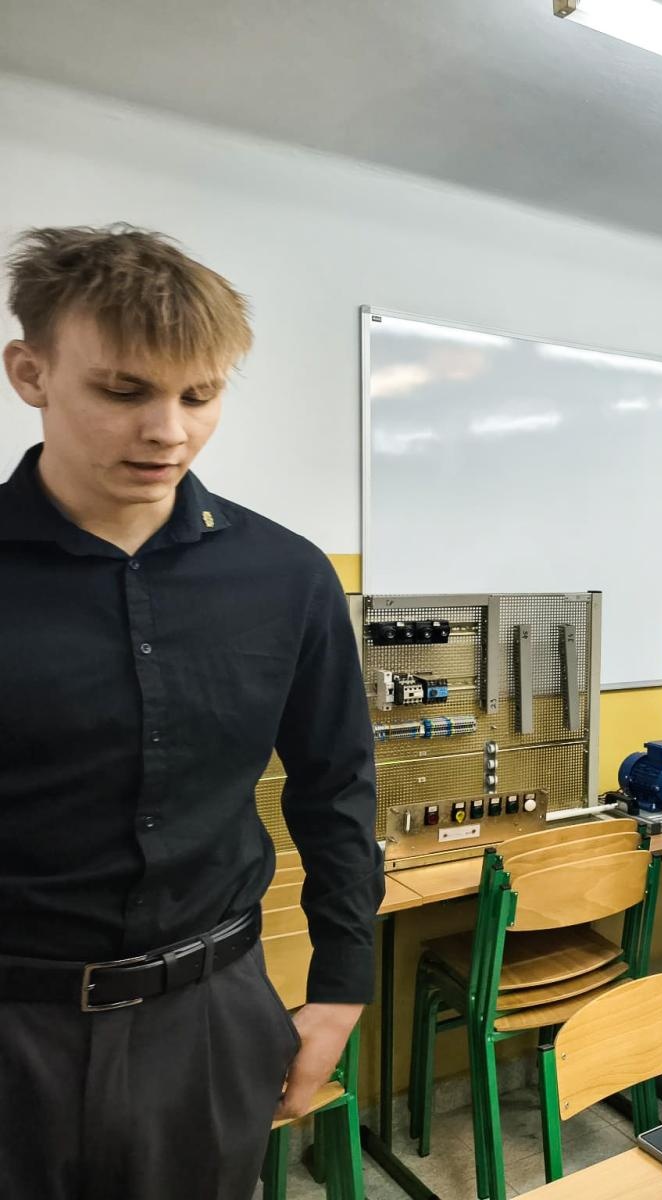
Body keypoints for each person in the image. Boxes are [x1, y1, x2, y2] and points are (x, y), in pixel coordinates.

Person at [0, 225, 383, 1200]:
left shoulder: (286, 577)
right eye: (125, 391)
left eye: (199, 396)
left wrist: (342, 983)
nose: (167, 430)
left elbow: (336, 784)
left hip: (209, 1019)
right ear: (30, 372)